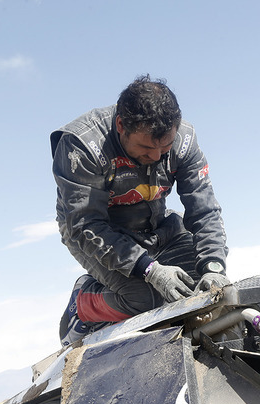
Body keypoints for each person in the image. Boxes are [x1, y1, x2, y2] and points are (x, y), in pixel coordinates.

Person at [52, 75, 230, 346]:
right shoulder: (82, 146)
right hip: (97, 235)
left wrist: (214, 266)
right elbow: (86, 225)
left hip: (158, 227)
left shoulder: (184, 141)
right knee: (145, 301)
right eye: (147, 148)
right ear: (122, 125)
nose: (157, 157)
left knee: (204, 292)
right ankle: (84, 304)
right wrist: (151, 271)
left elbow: (204, 209)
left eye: (165, 147)